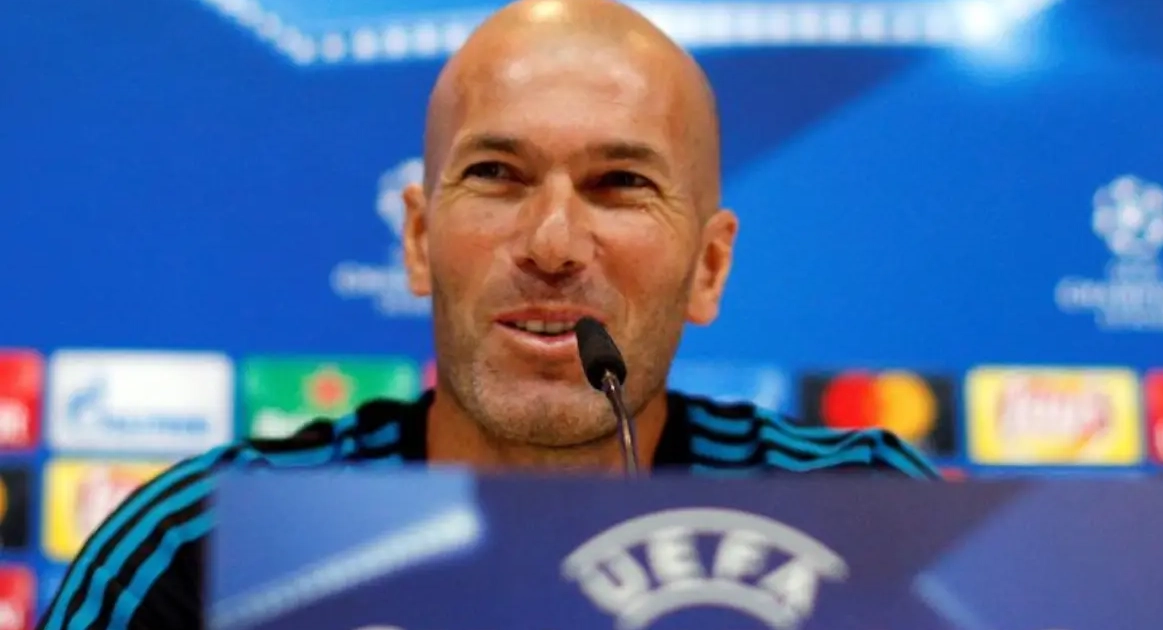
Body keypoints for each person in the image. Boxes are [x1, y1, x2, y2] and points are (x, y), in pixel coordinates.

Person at [37, 0, 938, 627]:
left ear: (708, 268)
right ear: (418, 241)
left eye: (620, 183)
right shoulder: (206, 548)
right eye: (498, 175)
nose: (553, 242)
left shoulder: (869, 517)